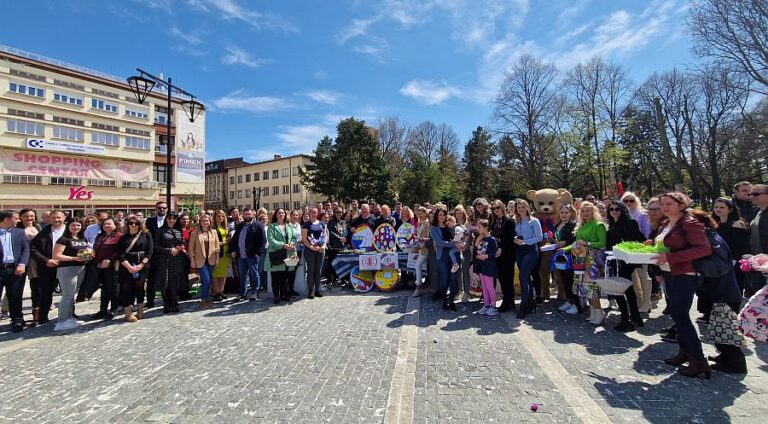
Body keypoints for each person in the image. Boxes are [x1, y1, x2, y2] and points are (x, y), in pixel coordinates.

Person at [653, 192, 713, 379]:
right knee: (677, 315)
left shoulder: (689, 223)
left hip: (685, 273)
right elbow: (666, 246)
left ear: (681, 204)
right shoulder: (665, 223)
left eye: (669, 203)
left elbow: (703, 249)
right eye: (662, 203)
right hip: (669, 272)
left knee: (681, 314)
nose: (664, 207)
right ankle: (685, 351)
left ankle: (699, 359)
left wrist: (671, 257)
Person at [562, 201, 607, 324]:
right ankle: (594, 313)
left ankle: (599, 312)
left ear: (593, 211)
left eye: (588, 210)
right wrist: (563, 249)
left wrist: (587, 243)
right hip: (580, 260)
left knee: (592, 288)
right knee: (584, 288)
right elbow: (576, 243)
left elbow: (603, 243)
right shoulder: (580, 225)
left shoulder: (599, 225)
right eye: (583, 211)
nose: (585, 213)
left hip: (592, 262)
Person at [606, 202, 646, 332]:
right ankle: (633, 316)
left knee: (620, 289)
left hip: (625, 261)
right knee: (626, 289)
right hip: (614, 260)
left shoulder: (630, 222)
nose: (614, 211)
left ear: (622, 210)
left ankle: (626, 318)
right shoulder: (612, 224)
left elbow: (636, 240)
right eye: (611, 209)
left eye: (617, 209)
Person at [52, 218, 91, 332]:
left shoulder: (82, 238)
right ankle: (61, 321)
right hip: (67, 268)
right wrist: (74, 258)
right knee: (67, 295)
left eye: (78, 225)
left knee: (72, 294)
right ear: (68, 226)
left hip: (80, 268)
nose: (76, 228)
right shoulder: (64, 239)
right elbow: (56, 255)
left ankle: (69, 317)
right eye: (73, 225)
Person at [30, 210, 66, 325]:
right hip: (48, 266)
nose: (56, 220)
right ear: (49, 219)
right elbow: (33, 249)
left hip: (67, 266)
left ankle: (69, 314)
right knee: (45, 292)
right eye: (54, 218)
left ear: (64, 218)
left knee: (68, 293)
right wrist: (46, 260)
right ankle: (43, 317)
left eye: (59, 217)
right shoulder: (43, 233)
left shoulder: (70, 230)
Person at [116, 217, 153, 322]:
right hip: (126, 266)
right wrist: (129, 267)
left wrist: (141, 265)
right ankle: (128, 313)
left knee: (140, 288)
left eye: (136, 223)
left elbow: (149, 251)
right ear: (128, 225)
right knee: (126, 289)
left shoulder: (146, 235)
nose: (133, 225)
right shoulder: (123, 237)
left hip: (141, 265)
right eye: (131, 223)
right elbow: (120, 254)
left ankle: (140, 311)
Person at [712, 198, 750, 296]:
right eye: (716, 207)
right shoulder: (715, 225)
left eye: (722, 207)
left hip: (733, 263)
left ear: (730, 209)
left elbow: (740, 246)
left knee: (733, 291)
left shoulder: (737, 224)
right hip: (718, 262)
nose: (718, 209)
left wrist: (732, 261)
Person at [0, 210, 29, 333]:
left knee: (15, 296)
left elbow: (25, 249)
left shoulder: (19, 232)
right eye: (16, 218)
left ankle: (17, 320)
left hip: (15, 269)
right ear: (6, 219)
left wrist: (22, 264)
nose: (18, 221)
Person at [513, 199, 543, 319]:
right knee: (525, 277)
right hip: (519, 250)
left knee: (523, 276)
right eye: (518, 207)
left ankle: (524, 305)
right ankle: (531, 302)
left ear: (527, 207)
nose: (520, 209)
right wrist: (515, 239)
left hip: (530, 250)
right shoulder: (516, 221)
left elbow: (539, 237)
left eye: (522, 207)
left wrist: (525, 242)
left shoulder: (534, 221)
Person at [229, 208, 266, 302]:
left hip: (252, 255)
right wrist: (233, 250)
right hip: (241, 255)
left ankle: (255, 293)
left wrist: (258, 253)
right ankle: (242, 294)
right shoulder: (240, 225)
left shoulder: (258, 225)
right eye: (245, 214)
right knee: (243, 275)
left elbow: (263, 241)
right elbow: (234, 239)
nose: (247, 216)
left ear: (253, 215)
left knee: (254, 274)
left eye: (249, 214)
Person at [90, 218, 122, 320]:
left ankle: (114, 309)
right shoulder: (100, 236)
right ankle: (103, 309)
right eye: (105, 224)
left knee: (113, 288)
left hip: (112, 266)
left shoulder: (119, 236)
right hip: (99, 266)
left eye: (109, 224)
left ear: (115, 225)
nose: (106, 226)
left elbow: (120, 251)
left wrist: (110, 260)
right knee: (104, 289)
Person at [430, 207, 461, 311]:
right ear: (436, 216)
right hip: (442, 255)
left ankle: (451, 300)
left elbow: (459, 236)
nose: (442, 217)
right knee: (444, 278)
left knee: (453, 278)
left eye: (443, 215)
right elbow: (439, 243)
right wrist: (454, 244)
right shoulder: (433, 228)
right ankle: (444, 300)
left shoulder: (450, 225)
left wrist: (460, 243)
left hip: (454, 255)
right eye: (440, 215)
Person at [154, 212, 185, 313]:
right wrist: (169, 250)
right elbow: (156, 246)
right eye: (169, 218)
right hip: (165, 259)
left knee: (175, 282)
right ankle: (166, 303)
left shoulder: (178, 230)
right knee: (165, 282)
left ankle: (174, 301)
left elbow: (182, 241)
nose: (172, 220)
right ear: (166, 219)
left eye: (174, 218)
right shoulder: (160, 231)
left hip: (177, 259)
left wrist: (180, 247)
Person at [266, 208, 297, 304]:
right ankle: (276, 296)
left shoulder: (289, 226)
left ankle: (283, 294)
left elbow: (294, 238)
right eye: (279, 213)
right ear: (276, 215)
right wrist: (283, 245)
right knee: (276, 276)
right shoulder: (272, 226)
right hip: (276, 254)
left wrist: (292, 243)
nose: (281, 214)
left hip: (288, 254)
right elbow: (271, 240)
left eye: (283, 213)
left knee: (285, 276)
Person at [189, 215, 220, 309]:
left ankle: (205, 297)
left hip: (211, 260)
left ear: (210, 222)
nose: (205, 223)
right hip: (200, 260)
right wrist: (192, 259)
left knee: (207, 280)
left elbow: (217, 247)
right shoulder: (195, 233)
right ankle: (203, 299)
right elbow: (191, 248)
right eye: (203, 221)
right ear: (200, 222)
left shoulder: (213, 232)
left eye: (207, 221)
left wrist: (217, 258)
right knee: (206, 280)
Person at [490, 199, 516, 312]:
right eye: (493, 208)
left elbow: (510, 239)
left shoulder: (509, 221)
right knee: (502, 277)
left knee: (507, 278)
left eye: (498, 208)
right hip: (497, 253)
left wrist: (501, 247)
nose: (496, 210)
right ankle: (510, 301)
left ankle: (507, 302)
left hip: (507, 253)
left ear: (502, 207)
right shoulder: (495, 220)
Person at [17, 209, 41, 325]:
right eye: (26, 216)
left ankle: (36, 311)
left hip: (35, 261)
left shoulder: (39, 228)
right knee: (17, 288)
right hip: (20, 261)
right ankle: (17, 315)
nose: (29, 218)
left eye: (31, 216)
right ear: (21, 217)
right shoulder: (16, 229)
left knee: (36, 287)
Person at [554, 205, 579, 314]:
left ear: (571, 214)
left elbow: (574, 240)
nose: (564, 215)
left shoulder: (573, 225)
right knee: (563, 279)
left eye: (566, 212)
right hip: (560, 254)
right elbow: (557, 238)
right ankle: (569, 300)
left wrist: (565, 243)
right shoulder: (558, 225)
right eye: (562, 212)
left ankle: (576, 304)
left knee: (570, 280)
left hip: (570, 255)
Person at [144, 201, 169, 308]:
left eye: (164, 208)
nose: (161, 210)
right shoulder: (149, 221)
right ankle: (150, 301)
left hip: (166, 253)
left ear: (167, 209)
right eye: (159, 208)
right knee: (151, 279)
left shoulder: (170, 220)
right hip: (153, 254)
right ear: (156, 209)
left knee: (165, 279)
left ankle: (166, 301)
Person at [473, 219, 498, 316]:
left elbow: (494, 253)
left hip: (489, 266)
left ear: (486, 228)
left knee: (489, 286)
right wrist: (477, 241)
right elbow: (477, 250)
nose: (478, 229)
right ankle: (486, 304)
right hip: (482, 266)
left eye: (480, 227)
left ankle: (493, 306)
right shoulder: (481, 239)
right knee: (484, 286)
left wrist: (486, 256)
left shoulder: (492, 240)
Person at [747, 184, 768, 295]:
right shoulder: (758, 212)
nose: (751, 196)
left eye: (756, 194)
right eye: (750, 194)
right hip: (758, 264)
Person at [302, 208, 327, 299]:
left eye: (316, 213)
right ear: (309, 213)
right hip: (310, 251)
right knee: (311, 270)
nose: (314, 214)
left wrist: (323, 246)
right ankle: (310, 290)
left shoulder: (321, 224)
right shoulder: (306, 224)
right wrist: (311, 247)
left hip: (320, 250)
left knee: (318, 270)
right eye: (312, 213)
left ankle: (317, 289)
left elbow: (324, 236)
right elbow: (304, 238)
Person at [211, 210, 231, 302]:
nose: (221, 218)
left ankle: (221, 291)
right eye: (218, 216)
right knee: (215, 274)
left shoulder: (225, 227)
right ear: (215, 217)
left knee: (223, 273)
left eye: (222, 216)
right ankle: (216, 292)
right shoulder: (212, 228)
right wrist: (223, 243)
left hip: (226, 253)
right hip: (217, 253)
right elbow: (212, 243)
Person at [411, 207, 431, 297]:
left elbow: (428, 237)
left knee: (417, 265)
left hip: (425, 249)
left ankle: (418, 287)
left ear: (425, 213)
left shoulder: (427, 222)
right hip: (420, 248)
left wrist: (421, 243)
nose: (419, 215)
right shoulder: (420, 223)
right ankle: (425, 285)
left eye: (421, 213)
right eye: (418, 213)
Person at [326, 207, 348, 285]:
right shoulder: (331, 222)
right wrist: (340, 238)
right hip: (334, 246)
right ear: (334, 213)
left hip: (342, 247)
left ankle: (342, 279)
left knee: (342, 263)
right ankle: (330, 280)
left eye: (340, 212)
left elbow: (345, 233)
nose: (339, 214)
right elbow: (330, 232)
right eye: (337, 212)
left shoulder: (344, 222)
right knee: (332, 264)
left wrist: (345, 238)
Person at [178, 214, 194, 300]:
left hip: (189, 254)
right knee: (181, 275)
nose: (185, 221)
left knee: (185, 274)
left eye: (187, 219)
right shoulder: (177, 230)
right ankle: (181, 293)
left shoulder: (191, 230)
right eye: (183, 219)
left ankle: (185, 292)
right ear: (180, 220)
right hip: (180, 254)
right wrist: (184, 252)